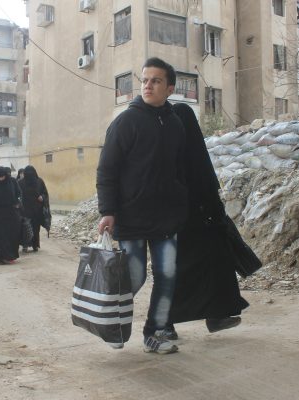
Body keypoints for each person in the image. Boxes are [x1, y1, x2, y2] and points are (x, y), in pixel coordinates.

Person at [97, 57, 188, 355]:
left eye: (156, 81)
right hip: (131, 218)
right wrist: (107, 211)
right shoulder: (126, 121)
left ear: (169, 88)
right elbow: (107, 170)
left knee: (168, 275)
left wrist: (180, 205)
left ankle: (156, 333)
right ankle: (111, 324)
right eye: (145, 80)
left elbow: (180, 170)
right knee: (134, 278)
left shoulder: (175, 124)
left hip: (165, 220)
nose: (148, 85)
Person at [167, 103, 249, 339]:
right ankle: (165, 324)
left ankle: (217, 315)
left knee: (206, 268)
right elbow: (205, 182)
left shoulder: (168, 149)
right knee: (188, 272)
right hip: (195, 221)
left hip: (181, 223)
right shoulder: (188, 149)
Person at [18, 165, 49, 252]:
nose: (29, 175)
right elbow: (17, 194)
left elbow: (45, 193)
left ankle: (35, 245)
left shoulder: (39, 181)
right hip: (25, 211)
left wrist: (42, 197)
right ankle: (25, 245)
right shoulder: (20, 183)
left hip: (37, 210)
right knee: (25, 228)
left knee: (36, 229)